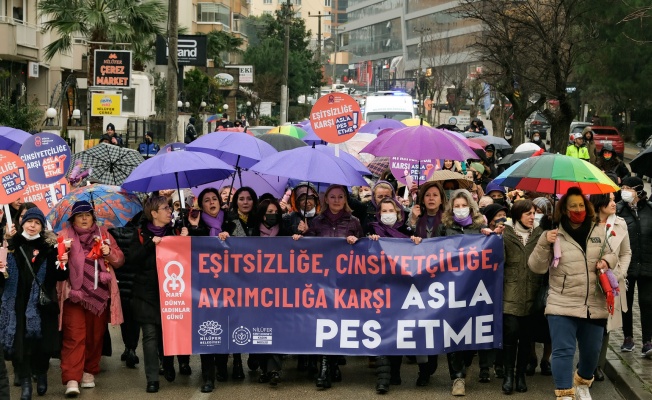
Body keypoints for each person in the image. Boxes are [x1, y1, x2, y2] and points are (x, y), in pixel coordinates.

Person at [528, 187, 621, 400]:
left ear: (586, 206)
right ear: (564, 209)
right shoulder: (553, 232)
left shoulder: (598, 229)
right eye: (572, 206)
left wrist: (606, 261)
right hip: (562, 302)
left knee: (591, 354)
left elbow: (612, 255)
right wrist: (544, 242)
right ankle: (564, 393)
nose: (577, 209)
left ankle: (582, 381)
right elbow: (536, 266)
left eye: (580, 205)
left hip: (593, 303)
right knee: (563, 351)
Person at [299, 184, 363, 389]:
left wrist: (357, 241)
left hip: (345, 281)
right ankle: (325, 368)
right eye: (333, 197)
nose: (336, 200)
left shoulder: (354, 222)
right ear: (326, 199)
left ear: (346, 199)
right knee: (324, 323)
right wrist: (303, 234)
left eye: (340, 196)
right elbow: (308, 250)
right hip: (321, 280)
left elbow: (364, 251)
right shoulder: (316, 222)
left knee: (338, 322)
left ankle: (332, 364)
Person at [57, 201, 124, 396]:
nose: (84, 218)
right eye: (80, 215)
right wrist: (62, 255)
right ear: (73, 219)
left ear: (93, 217)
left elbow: (119, 260)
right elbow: (56, 265)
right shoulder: (64, 236)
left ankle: (89, 370)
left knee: (95, 336)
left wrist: (109, 252)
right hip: (74, 296)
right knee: (74, 337)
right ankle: (71, 378)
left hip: (99, 296)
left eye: (88, 214)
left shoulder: (104, 235)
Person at [0, 208, 65, 399]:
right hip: (18, 304)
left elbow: (61, 276)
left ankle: (42, 373)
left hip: (42, 305)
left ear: (42, 226)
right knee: (21, 346)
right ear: (22, 224)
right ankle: (26, 383)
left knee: (42, 346)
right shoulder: (12, 245)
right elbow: (4, 278)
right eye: (29, 222)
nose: (32, 226)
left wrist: (63, 262)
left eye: (37, 223)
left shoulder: (50, 246)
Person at [129, 196, 188, 393]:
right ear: (153, 213)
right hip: (146, 294)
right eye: (165, 208)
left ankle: (168, 364)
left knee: (168, 333)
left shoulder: (176, 232)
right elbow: (132, 260)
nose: (169, 211)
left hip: (172, 293)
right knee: (150, 336)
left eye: (170, 208)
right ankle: (152, 378)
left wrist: (187, 239)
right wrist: (150, 245)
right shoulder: (139, 234)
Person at [438, 189, 493, 396]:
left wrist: (491, 237)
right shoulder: (444, 228)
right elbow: (430, 255)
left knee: (470, 333)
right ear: (451, 209)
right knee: (453, 332)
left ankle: (467, 363)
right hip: (450, 288)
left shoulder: (481, 228)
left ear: (471, 207)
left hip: (474, 289)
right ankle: (457, 377)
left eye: (464, 205)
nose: (460, 210)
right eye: (456, 206)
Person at [368, 197, 422, 394]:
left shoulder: (407, 232)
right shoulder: (372, 230)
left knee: (397, 332)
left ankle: (395, 372)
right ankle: (383, 378)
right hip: (379, 289)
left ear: (398, 213)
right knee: (383, 331)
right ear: (379, 213)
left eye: (391, 210)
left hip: (402, 289)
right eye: (384, 210)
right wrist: (370, 242)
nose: (388, 213)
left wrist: (415, 240)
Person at [500, 200, 545, 394]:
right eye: (528, 213)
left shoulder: (540, 234)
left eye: (534, 213)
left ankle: (520, 376)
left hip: (533, 294)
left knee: (527, 338)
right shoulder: (505, 234)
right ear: (518, 215)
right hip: (510, 293)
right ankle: (508, 375)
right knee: (511, 335)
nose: (532, 217)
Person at [185, 188, 227, 393]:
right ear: (201, 205)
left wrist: (230, 239)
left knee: (224, 327)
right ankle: (207, 376)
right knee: (207, 330)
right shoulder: (195, 222)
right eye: (207, 200)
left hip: (229, 287)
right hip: (202, 286)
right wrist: (192, 228)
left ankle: (221, 365)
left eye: (214, 199)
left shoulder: (230, 220)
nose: (212, 202)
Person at [589, 192, 631, 381]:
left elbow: (626, 252)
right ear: (599, 203)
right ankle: (586, 362)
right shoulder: (587, 223)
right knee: (588, 323)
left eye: (614, 199)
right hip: (589, 280)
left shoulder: (620, 223)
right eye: (610, 200)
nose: (614, 203)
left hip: (611, 282)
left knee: (606, 325)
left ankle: (598, 364)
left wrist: (619, 273)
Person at [254, 198, 292, 386]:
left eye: (275, 211)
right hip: (256, 289)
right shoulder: (253, 233)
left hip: (280, 287)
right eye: (269, 211)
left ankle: (273, 369)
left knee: (275, 328)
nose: (273, 215)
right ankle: (263, 366)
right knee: (261, 329)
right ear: (261, 213)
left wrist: (300, 236)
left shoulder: (285, 231)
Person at [617, 176, 652, 357]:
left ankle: (647, 341)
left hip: (647, 263)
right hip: (626, 265)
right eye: (623, 187)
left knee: (647, 302)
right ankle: (628, 338)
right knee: (626, 303)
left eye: (628, 187)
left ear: (638, 190)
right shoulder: (619, 210)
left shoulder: (649, 210)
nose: (624, 190)